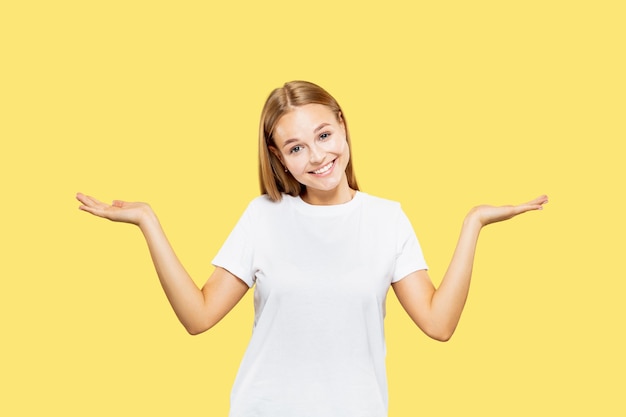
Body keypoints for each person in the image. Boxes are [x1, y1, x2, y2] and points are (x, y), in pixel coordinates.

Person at [76, 80, 548, 417]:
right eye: (296, 148)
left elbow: (439, 324)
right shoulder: (264, 215)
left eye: (323, 136)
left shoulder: (387, 219)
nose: (318, 157)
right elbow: (198, 317)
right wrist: (147, 222)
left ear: (342, 126)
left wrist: (473, 224)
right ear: (279, 156)